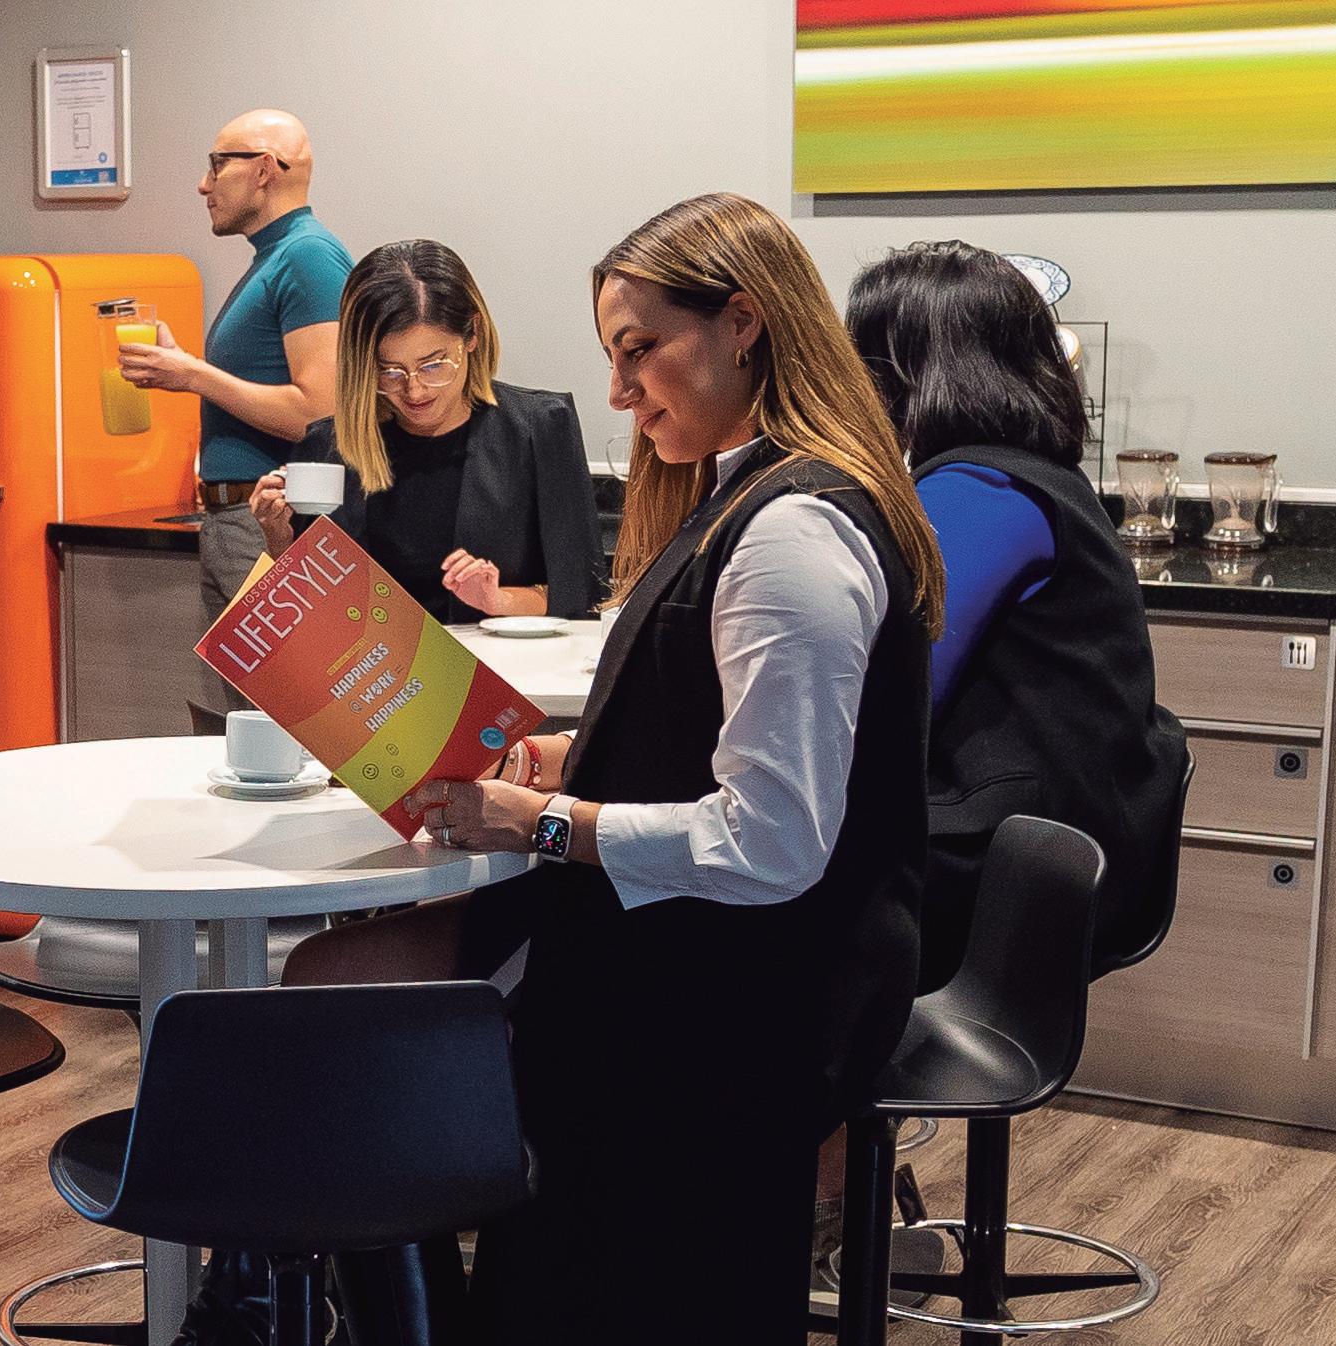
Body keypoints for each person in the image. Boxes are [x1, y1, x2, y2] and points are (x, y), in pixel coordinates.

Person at [402, 192, 945, 1344]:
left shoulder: (789, 533)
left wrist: (540, 822)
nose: (617, 389)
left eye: (638, 348)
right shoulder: (742, 495)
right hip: (700, 981)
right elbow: (710, 726)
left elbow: (768, 842)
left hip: (728, 1012)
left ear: (741, 321)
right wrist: (578, 755)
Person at [846, 239, 1186, 994]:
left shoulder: (977, 491)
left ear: (902, 370)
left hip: (997, 864)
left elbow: (891, 691)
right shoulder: (1036, 478)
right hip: (1063, 841)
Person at [116, 108, 350, 705]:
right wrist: (188, 371)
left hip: (268, 521)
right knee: (239, 720)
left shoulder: (308, 257)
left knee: (279, 716)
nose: (204, 184)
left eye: (217, 164)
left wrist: (193, 375)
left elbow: (318, 414)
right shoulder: (275, 257)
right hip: (234, 521)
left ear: (265, 169)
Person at [247, 239, 600, 622]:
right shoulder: (330, 448)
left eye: (433, 365)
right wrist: (278, 536)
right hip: (374, 659)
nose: (414, 391)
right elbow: (308, 612)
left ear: (472, 335)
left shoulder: (538, 429)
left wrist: (497, 601)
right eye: (389, 370)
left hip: (499, 658)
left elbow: (582, 596)